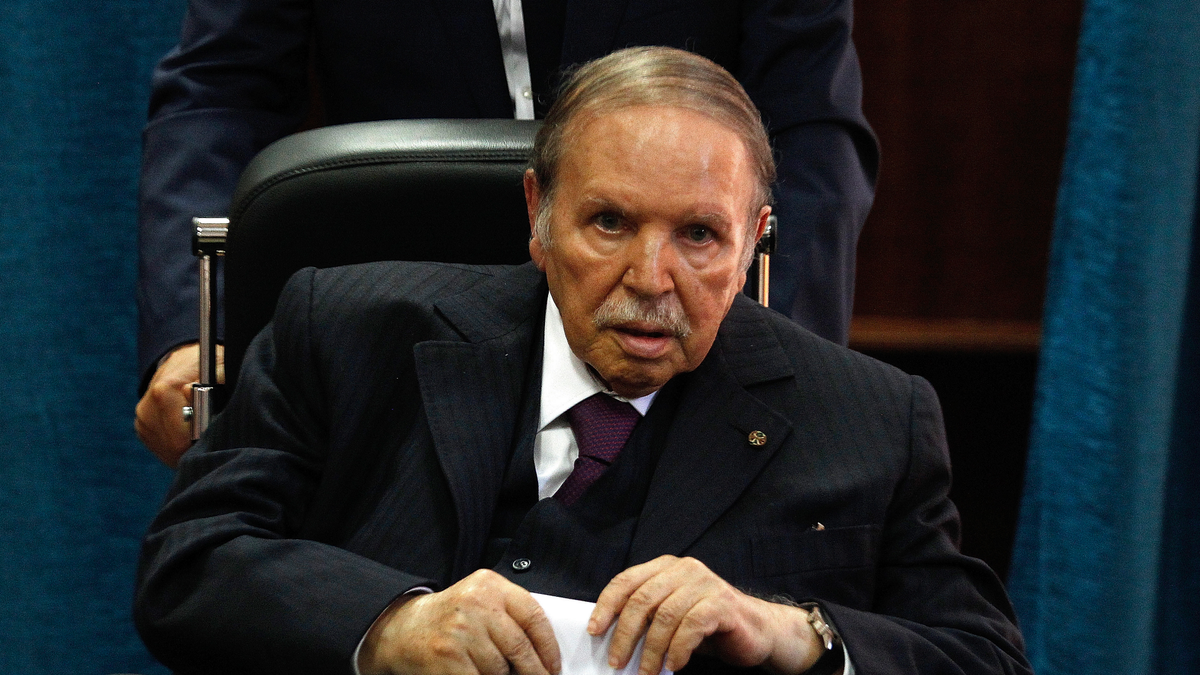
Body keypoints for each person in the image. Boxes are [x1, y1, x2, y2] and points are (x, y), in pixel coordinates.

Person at [134, 47, 1026, 675]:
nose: (651, 278)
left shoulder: (871, 418)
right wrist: (391, 627)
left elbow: (982, 655)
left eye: (700, 236)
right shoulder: (347, 329)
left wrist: (792, 633)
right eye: (610, 222)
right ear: (538, 213)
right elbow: (189, 564)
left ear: (756, 240)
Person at [133, 0, 879, 467]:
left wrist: (773, 365)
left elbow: (809, 126)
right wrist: (192, 333)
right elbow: (220, 92)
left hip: (664, 353)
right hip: (396, 351)